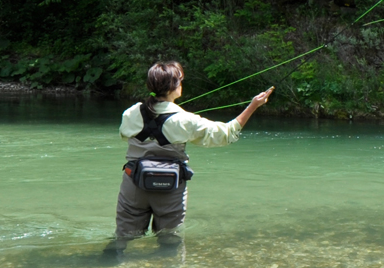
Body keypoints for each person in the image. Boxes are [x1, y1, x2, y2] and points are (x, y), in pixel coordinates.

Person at [102, 61, 273, 260]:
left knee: (123, 237)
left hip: (133, 185)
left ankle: (109, 261)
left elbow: (124, 135)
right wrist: (253, 106)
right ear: (174, 86)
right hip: (169, 189)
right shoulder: (186, 120)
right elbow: (226, 134)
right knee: (170, 241)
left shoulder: (131, 113)